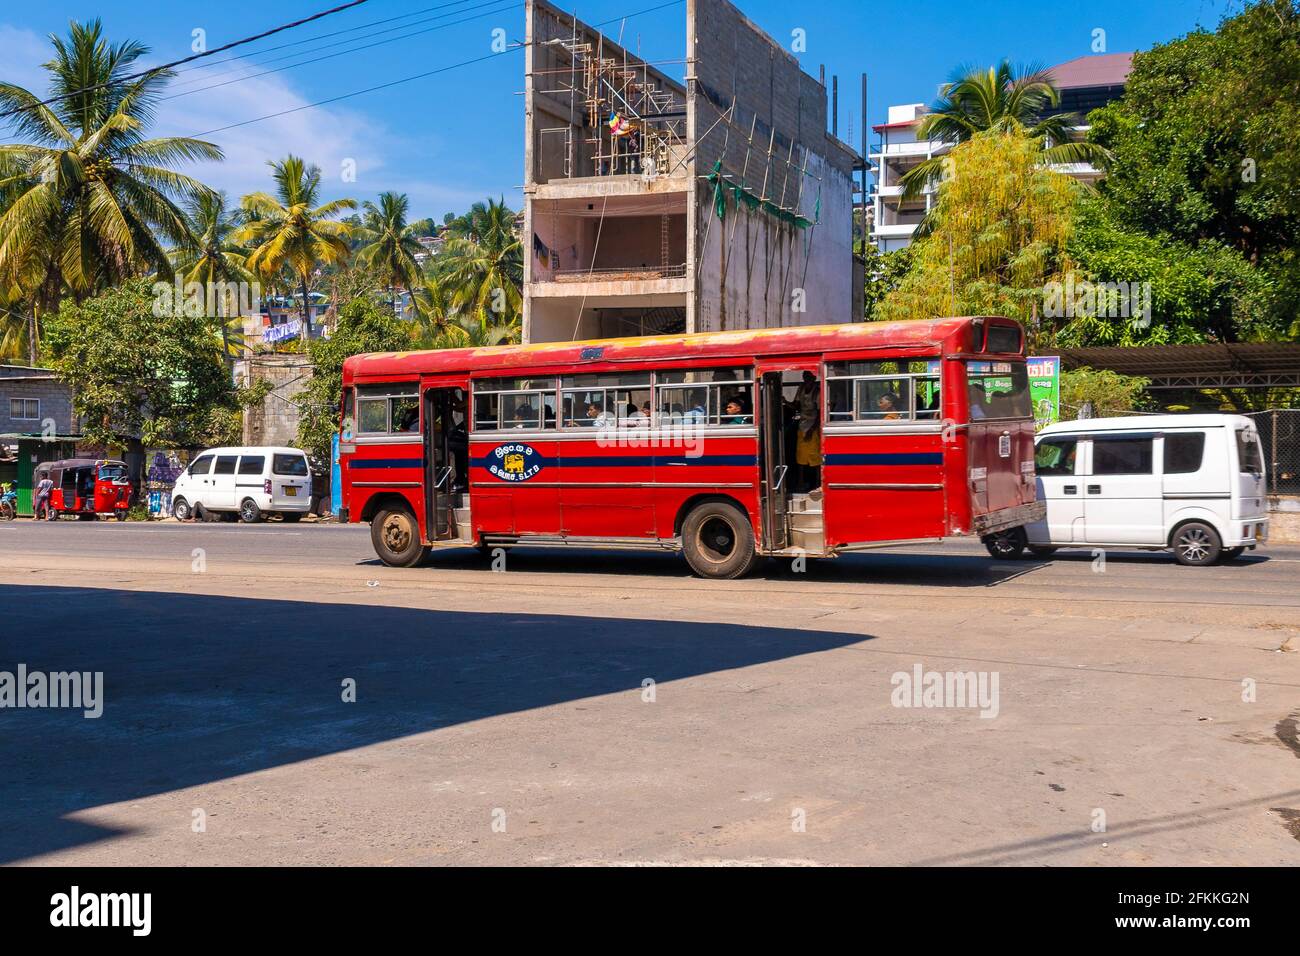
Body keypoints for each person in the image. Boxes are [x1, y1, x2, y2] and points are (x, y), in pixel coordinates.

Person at [793, 372, 822, 492]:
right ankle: (801, 482)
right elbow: (796, 405)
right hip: (802, 425)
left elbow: (821, 413)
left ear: (814, 378)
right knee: (801, 456)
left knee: (815, 456)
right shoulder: (801, 389)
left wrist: (812, 428)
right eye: (805, 377)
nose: (806, 380)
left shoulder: (817, 391)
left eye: (809, 377)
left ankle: (817, 483)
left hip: (814, 427)